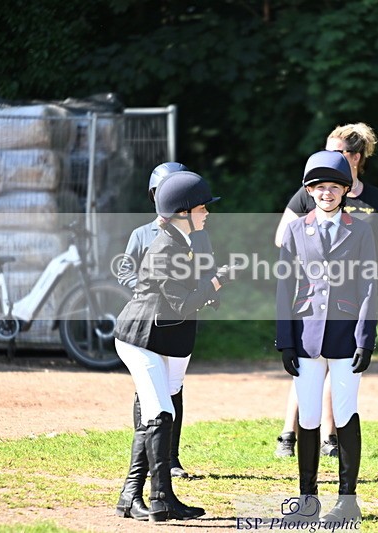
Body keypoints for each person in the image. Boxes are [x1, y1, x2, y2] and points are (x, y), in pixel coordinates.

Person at [273, 123, 378, 458]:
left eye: (338, 151)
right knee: (310, 365)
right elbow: (283, 238)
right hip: (314, 301)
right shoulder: (312, 189)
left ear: (356, 157)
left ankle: (331, 437)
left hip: (353, 299)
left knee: (340, 373)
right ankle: (290, 431)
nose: (329, 157)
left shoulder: (376, 200)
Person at [114, 170, 233, 522]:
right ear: (183, 212)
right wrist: (215, 282)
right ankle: (162, 499)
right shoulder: (165, 247)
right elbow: (181, 305)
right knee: (162, 414)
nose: (207, 213)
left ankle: (130, 496)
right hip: (140, 339)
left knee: (155, 414)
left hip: (157, 336)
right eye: (202, 208)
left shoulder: (183, 241)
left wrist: (208, 285)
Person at [276, 150, 378, 523]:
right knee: (308, 416)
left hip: (345, 334)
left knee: (346, 412)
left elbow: (370, 284)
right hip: (306, 336)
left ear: (346, 190)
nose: (327, 193)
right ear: (310, 190)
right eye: (319, 187)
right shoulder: (295, 229)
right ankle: (307, 500)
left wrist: (366, 338)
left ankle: (347, 499)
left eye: (334, 187)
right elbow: (285, 284)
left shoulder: (361, 229)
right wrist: (284, 339)